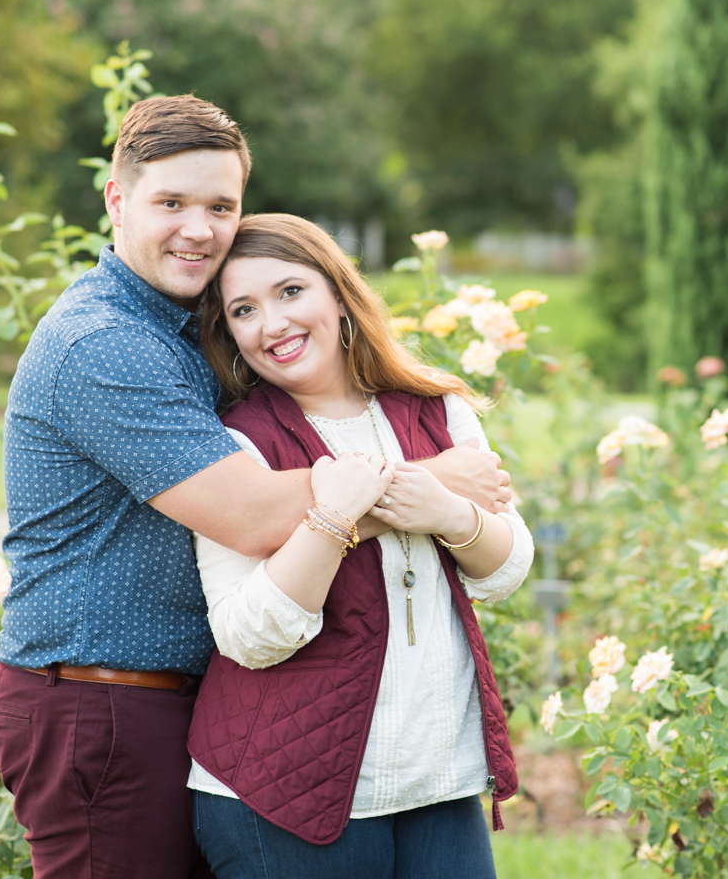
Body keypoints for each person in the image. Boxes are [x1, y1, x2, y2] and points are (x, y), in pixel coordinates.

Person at [0, 96, 511, 879]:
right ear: (116, 200)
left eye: (220, 205)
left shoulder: (187, 324)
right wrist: (433, 480)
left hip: (178, 700)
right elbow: (254, 515)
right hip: (101, 703)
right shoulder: (104, 344)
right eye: (171, 203)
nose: (199, 228)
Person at [185, 214, 531, 879]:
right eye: (244, 310)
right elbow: (251, 634)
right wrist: (339, 514)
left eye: (291, 291)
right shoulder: (238, 447)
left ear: (338, 294)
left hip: (438, 779)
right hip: (282, 790)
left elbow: (508, 564)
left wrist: (448, 511)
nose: (273, 323)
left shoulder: (438, 409)